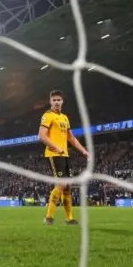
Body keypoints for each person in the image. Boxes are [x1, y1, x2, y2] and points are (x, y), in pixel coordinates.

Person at [38, 90, 90, 225]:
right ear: (50, 102)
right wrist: (56, 147)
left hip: (64, 154)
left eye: (58, 100)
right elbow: (42, 135)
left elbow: (71, 138)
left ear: (62, 101)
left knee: (67, 187)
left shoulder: (65, 118)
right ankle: (49, 217)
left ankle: (69, 218)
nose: (56, 102)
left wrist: (84, 151)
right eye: (54, 100)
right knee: (62, 184)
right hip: (54, 154)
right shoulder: (47, 116)